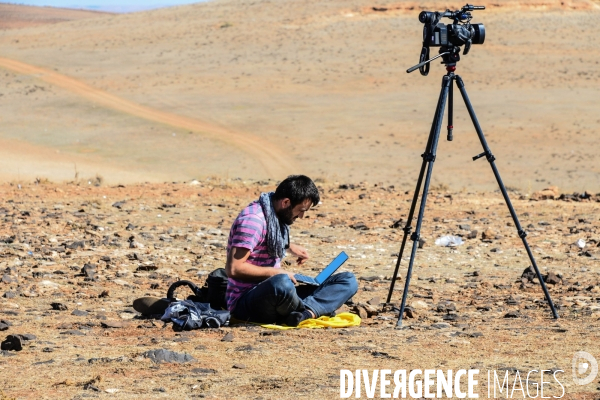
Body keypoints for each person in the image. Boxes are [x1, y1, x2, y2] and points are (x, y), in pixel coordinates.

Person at [225, 175, 358, 326]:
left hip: (275, 293)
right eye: (301, 210)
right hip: (247, 300)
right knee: (282, 283)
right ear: (286, 202)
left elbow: (265, 239)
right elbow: (234, 269)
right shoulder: (253, 221)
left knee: (348, 280)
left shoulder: (274, 215)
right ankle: (316, 307)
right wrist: (276, 272)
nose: (301, 216)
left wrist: (290, 247)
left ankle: (305, 314)